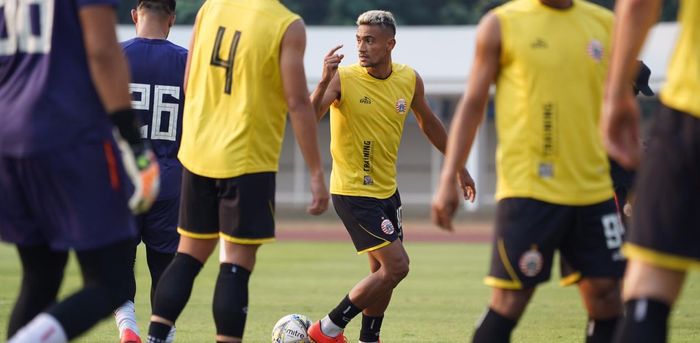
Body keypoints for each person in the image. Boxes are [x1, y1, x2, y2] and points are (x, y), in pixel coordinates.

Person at [432, 1, 625, 342]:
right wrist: (449, 178)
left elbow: (620, 104)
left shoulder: (606, 24)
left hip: (593, 189)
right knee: (510, 300)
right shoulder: (501, 25)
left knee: (608, 296)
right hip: (529, 191)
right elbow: (473, 104)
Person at [145, 0, 330, 342]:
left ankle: (155, 337)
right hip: (247, 159)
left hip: (198, 153)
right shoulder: (286, 24)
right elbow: (297, 102)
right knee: (235, 265)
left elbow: (189, 82)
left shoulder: (210, 8)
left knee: (187, 255)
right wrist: (317, 173)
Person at [306, 10, 475, 343]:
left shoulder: (409, 79)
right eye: (358, 39)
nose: (362, 47)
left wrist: (459, 165)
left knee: (381, 273)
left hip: (387, 193)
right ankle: (325, 330)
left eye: (369, 40)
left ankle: (370, 338)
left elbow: (429, 123)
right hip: (353, 191)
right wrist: (324, 80)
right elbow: (308, 118)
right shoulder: (344, 78)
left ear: (390, 43)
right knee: (398, 266)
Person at [0, 0, 160, 341]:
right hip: (65, 133)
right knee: (111, 280)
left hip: (9, 132)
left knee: (41, 275)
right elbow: (102, 51)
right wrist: (134, 142)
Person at [602, 1, 700, 342]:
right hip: (612, 192)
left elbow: (638, 5)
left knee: (649, 286)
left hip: (693, 106)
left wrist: (614, 100)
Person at [114, 0, 186, 342]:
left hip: (123, 177)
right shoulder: (188, 62)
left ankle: (127, 325)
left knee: (117, 259)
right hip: (170, 178)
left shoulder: (112, 56)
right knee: (165, 266)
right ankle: (164, 335)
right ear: (171, 19)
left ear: (134, 15)